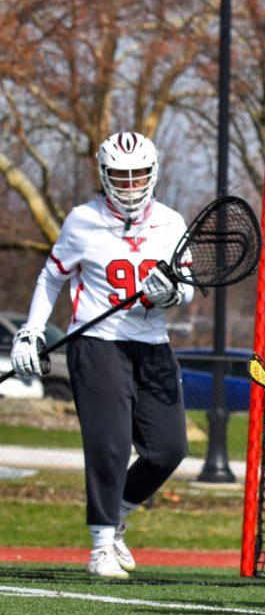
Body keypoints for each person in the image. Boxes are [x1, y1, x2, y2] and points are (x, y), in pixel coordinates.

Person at [9, 132, 194, 578]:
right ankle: (100, 545)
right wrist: (31, 331)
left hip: (152, 345)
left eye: (138, 176)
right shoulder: (81, 221)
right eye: (119, 176)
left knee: (168, 449)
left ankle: (120, 515)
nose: (129, 185)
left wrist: (168, 294)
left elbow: (186, 290)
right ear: (104, 176)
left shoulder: (171, 223)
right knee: (109, 445)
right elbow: (51, 277)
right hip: (98, 342)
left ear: (153, 175)